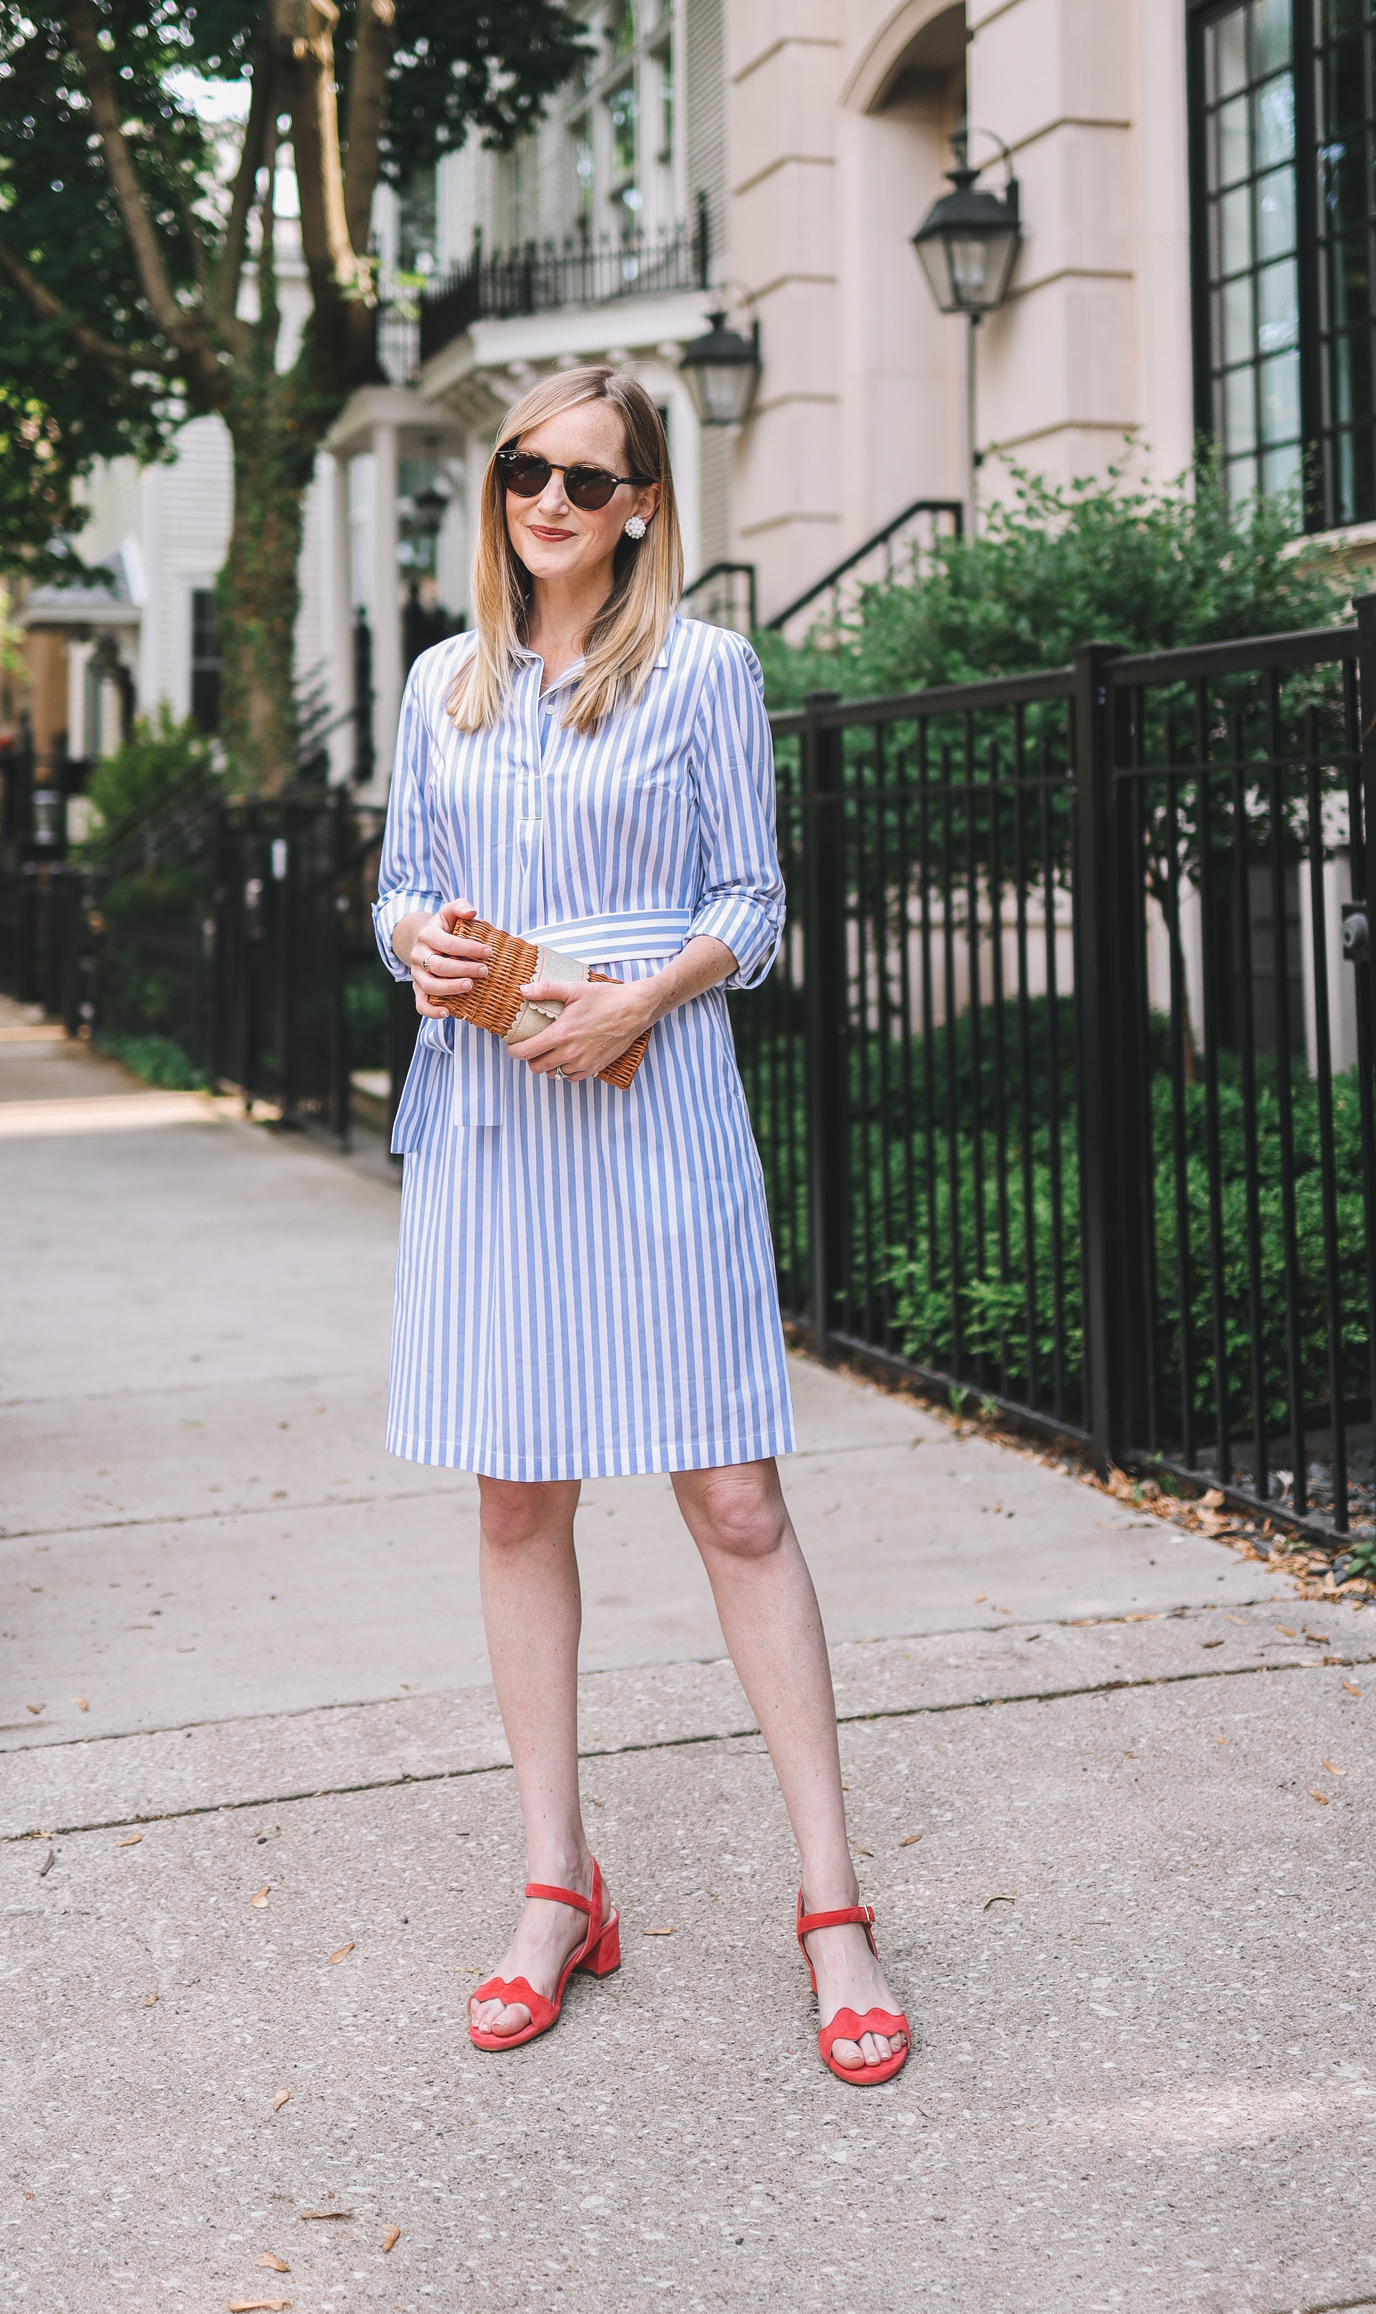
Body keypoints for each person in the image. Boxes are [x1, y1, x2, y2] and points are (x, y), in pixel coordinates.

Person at [373, 364, 909, 2086]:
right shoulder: (442, 682)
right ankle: (559, 1889)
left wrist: (638, 1000)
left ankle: (834, 1908)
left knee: (735, 1499)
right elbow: (400, 885)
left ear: (642, 509)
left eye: (585, 480)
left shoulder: (705, 674)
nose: (547, 499)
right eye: (525, 470)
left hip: (651, 1097)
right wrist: (420, 950)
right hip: (490, 1112)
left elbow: (752, 907)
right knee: (519, 1491)